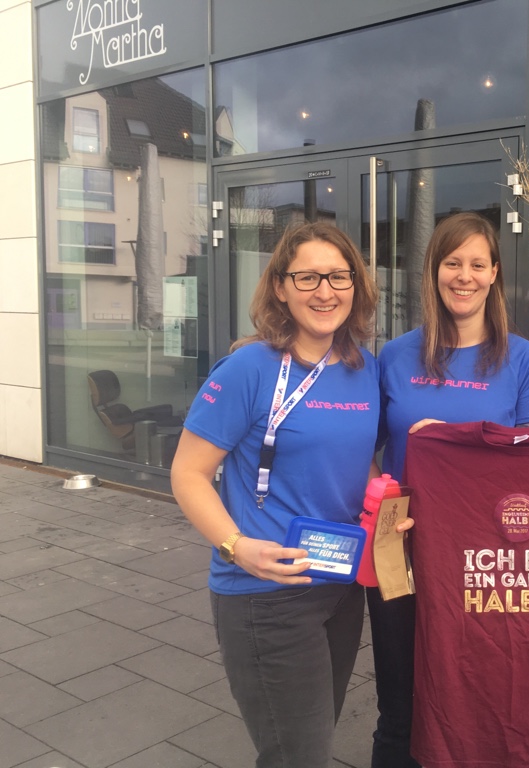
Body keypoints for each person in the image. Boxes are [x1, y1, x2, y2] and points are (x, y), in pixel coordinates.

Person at [171, 221, 403, 768]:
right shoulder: (249, 368)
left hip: (339, 585)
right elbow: (187, 474)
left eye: (339, 276)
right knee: (298, 754)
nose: (326, 291)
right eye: (308, 277)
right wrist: (235, 545)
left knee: (309, 739)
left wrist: (390, 512)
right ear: (280, 286)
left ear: (357, 285)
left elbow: (358, 463)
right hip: (265, 591)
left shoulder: (362, 367)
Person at [370, 211, 529, 768]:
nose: (464, 275)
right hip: (397, 547)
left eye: (478, 264)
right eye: (453, 263)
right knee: (398, 704)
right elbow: (362, 450)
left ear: (495, 273)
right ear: (433, 271)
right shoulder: (394, 356)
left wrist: (459, 442)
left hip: (484, 552)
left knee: (478, 694)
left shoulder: (521, 359)